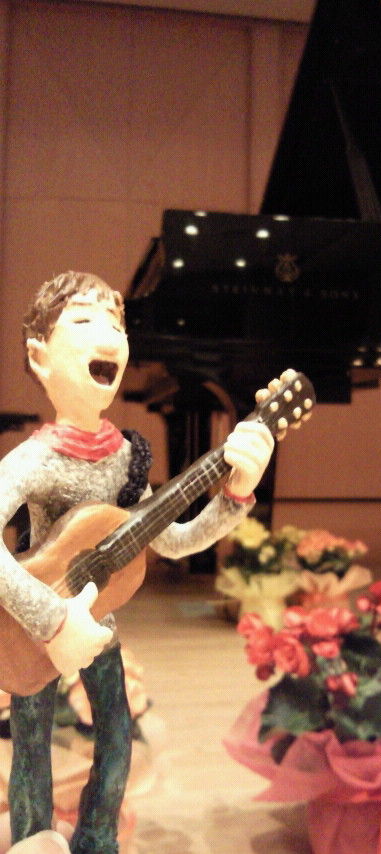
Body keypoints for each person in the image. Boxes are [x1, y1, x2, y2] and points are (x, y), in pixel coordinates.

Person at [0, 271, 274, 854]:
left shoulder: (126, 457)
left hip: (100, 628)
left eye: (117, 325)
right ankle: (32, 841)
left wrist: (236, 495)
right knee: (32, 749)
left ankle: (98, 841)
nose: (108, 335)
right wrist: (51, 618)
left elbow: (171, 539)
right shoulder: (33, 460)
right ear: (40, 358)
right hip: (34, 627)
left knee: (117, 740)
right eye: (84, 321)